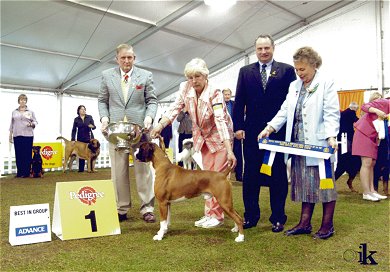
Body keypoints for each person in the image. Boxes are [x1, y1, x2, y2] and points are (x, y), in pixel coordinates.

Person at [259, 46, 340, 239]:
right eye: (297, 69)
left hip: (319, 144)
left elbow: (331, 112)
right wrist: (269, 128)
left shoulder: (326, 83)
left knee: (325, 185)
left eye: (302, 69)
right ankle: (305, 223)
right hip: (297, 144)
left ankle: (327, 225)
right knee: (305, 184)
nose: (299, 73)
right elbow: (285, 110)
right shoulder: (294, 86)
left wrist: (331, 136)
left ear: (314, 65)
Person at [151, 58, 237, 228]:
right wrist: (160, 125)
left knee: (215, 176)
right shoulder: (185, 88)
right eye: (190, 77)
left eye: (197, 76)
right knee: (205, 176)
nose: (194, 80)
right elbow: (175, 108)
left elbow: (220, 120)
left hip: (220, 137)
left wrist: (229, 150)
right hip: (202, 137)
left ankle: (217, 216)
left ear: (205, 76)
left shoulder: (215, 93)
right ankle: (209, 213)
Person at [233, 34, 296, 232]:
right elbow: (239, 101)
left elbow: (291, 102)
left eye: (266, 48)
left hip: (277, 132)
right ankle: (250, 216)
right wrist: (238, 126)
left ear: (273, 48)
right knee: (250, 175)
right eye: (259, 49)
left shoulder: (287, 70)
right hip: (252, 133)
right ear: (255, 50)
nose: (263, 52)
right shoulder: (245, 72)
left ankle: (278, 217)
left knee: (277, 175)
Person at [98, 44, 158, 223]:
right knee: (118, 171)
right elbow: (102, 101)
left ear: (134, 58)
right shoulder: (106, 76)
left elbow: (152, 101)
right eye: (123, 58)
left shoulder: (146, 76)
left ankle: (147, 208)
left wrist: (149, 118)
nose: (126, 61)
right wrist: (104, 119)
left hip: (140, 131)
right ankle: (121, 208)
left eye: (129, 58)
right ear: (117, 59)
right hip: (115, 132)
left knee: (143, 171)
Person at [352, 92, 389, 201]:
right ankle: (366, 192)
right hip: (363, 133)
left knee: (372, 163)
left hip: (373, 136)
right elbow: (365, 106)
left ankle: (372, 191)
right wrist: (377, 111)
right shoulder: (384, 102)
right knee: (367, 162)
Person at [9, 94, 38, 178]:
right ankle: (19, 172)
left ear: (26, 101)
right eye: (21, 100)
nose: (23, 101)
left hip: (28, 135)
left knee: (27, 154)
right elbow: (12, 124)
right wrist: (10, 135)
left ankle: (26, 172)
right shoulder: (14, 112)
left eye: (24, 100)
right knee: (18, 154)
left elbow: (36, 121)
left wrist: (32, 124)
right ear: (19, 101)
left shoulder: (30, 111)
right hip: (17, 135)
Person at [334, 102, 361, 192]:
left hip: (342, 140)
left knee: (343, 163)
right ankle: (332, 183)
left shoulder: (343, 113)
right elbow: (358, 122)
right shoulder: (350, 112)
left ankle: (333, 182)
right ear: (354, 109)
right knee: (345, 163)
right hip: (346, 140)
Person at [223, 88, 243, 181]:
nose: (227, 96)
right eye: (225, 94)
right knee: (224, 154)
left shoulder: (235, 104)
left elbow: (239, 116)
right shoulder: (218, 105)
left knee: (238, 153)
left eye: (228, 94)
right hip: (223, 134)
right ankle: (224, 175)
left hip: (235, 133)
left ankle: (239, 176)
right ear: (222, 95)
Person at [71, 105, 96, 172]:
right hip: (80, 138)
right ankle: (81, 169)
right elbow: (74, 130)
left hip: (89, 138)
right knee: (81, 152)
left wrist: (92, 126)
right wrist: (73, 139)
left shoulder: (89, 117)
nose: (83, 110)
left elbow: (94, 127)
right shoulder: (76, 119)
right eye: (82, 109)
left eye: (84, 109)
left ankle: (90, 169)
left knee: (90, 153)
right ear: (79, 111)